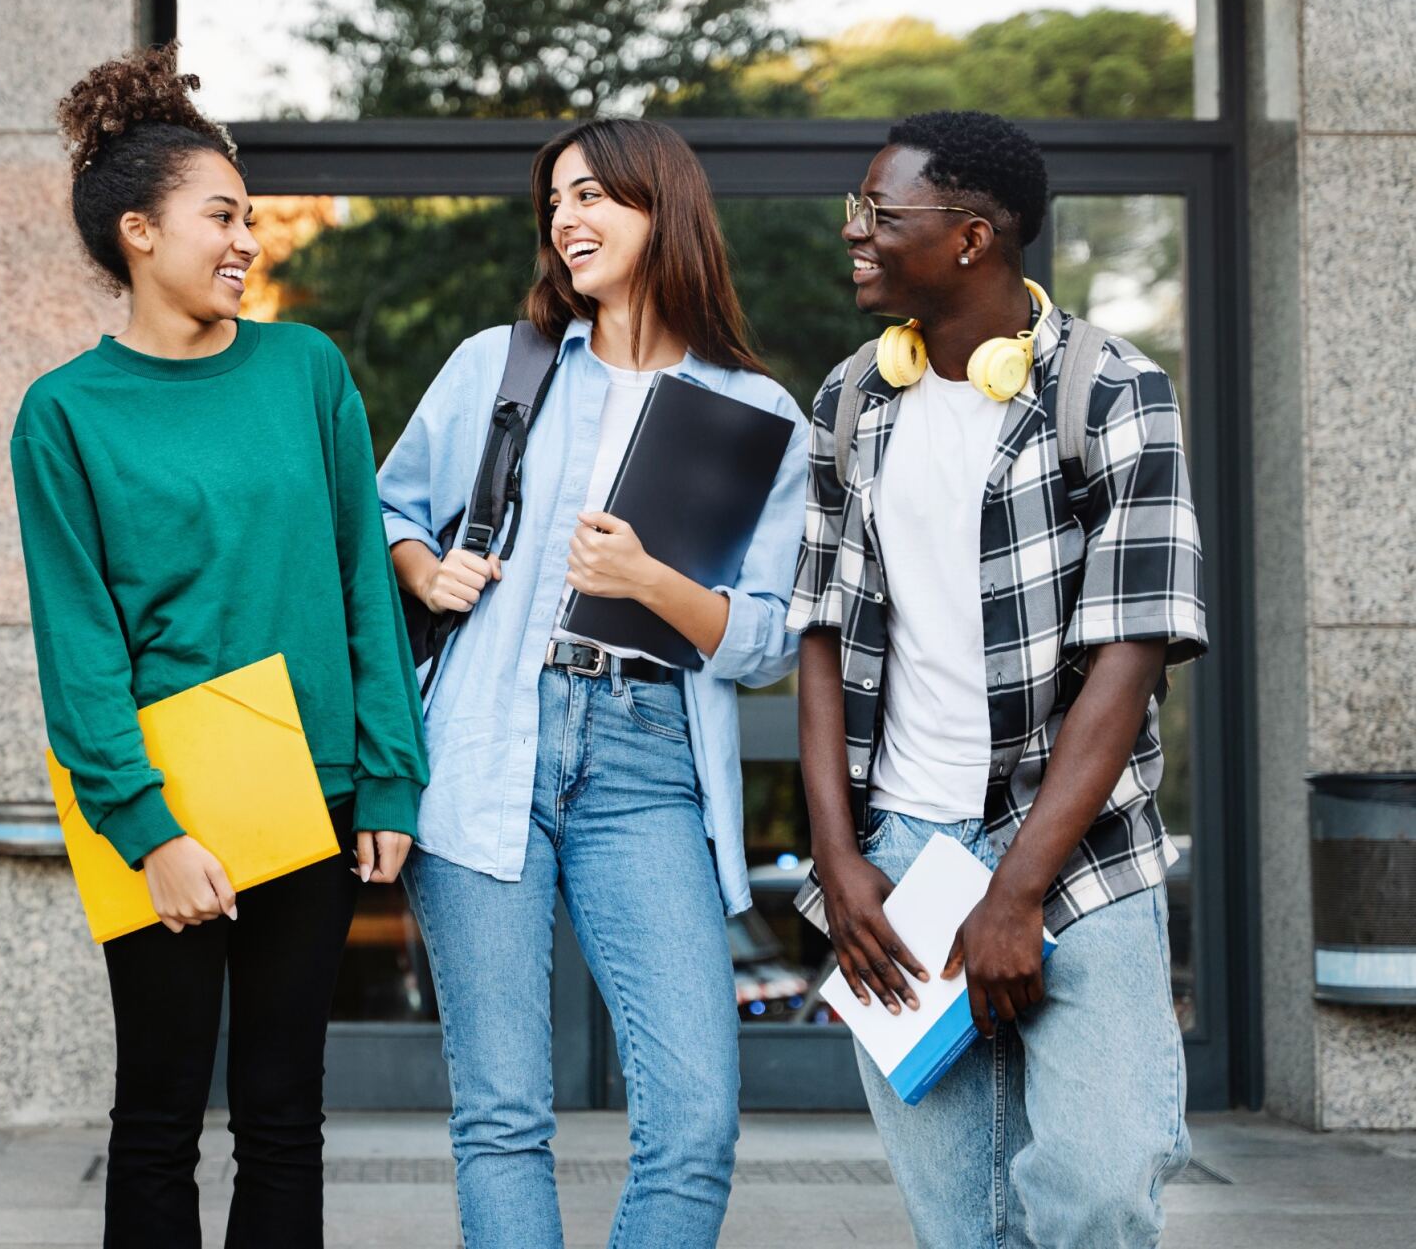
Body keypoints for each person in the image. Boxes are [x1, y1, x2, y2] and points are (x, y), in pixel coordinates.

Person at [8, 43, 428, 1249]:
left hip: (313, 791)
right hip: (160, 807)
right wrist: (149, 830)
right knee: (155, 1118)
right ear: (139, 231)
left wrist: (389, 774)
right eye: (221, 216)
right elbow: (78, 644)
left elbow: (362, 581)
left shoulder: (307, 371)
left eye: (248, 217)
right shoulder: (65, 413)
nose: (246, 239)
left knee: (286, 1115)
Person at [375, 117, 809, 1249]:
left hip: (647, 751)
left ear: (663, 209)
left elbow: (766, 638)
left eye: (594, 196)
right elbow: (386, 510)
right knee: (504, 1116)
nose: (567, 218)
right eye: (556, 201)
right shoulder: (498, 365)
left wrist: (650, 580)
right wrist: (433, 569)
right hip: (486, 740)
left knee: (696, 1117)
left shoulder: (762, 418)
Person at [789, 109, 1206, 1247]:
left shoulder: (1113, 392)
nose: (855, 233)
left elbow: (1131, 657)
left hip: (1081, 859)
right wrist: (840, 857)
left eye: (881, 213)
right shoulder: (849, 403)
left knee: (1101, 1188)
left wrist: (1017, 890)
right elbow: (819, 632)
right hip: (905, 860)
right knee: (959, 1220)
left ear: (972, 237)